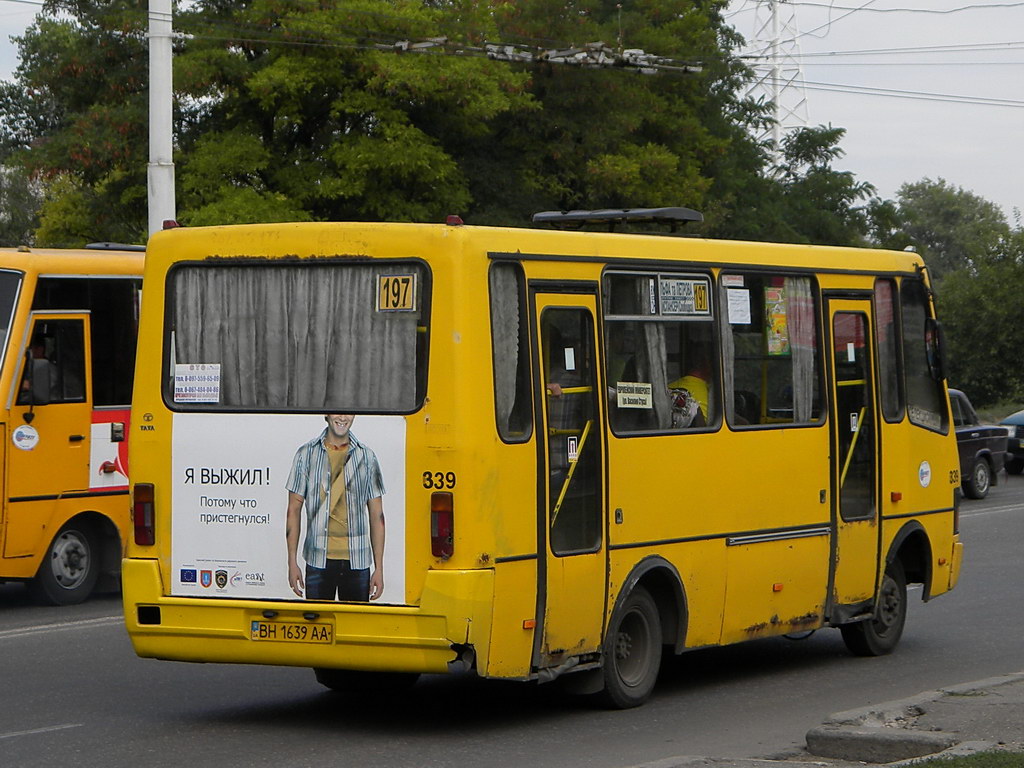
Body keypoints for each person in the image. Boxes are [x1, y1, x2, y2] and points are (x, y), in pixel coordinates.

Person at [285, 414, 386, 602]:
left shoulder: (367, 456)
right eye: (336, 411)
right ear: (326, 414)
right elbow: (293, 510)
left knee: (354, 627)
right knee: (318, 627)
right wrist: (292, 562)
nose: (343, 417)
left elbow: (377, 515)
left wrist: (379, 568)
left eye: (348, 411)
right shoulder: (306, 454)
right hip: (317, 560)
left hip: (358, 561)